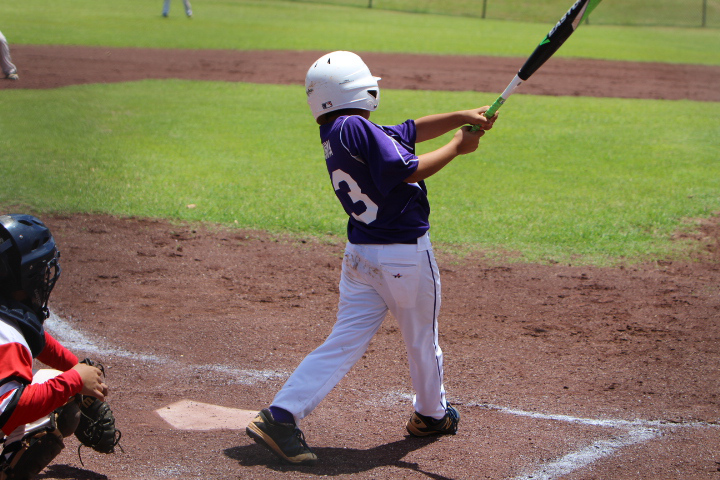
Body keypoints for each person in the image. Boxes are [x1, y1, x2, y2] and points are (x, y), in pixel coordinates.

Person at [246, 51, 497, 465]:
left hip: (362, 256)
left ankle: (281, 415)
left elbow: (409, 130)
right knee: (422, 339)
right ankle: (432, 415)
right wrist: (457, 146)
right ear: (358, 89)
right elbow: (409, 169)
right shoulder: (356, 127)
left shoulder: (340, 130)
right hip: (403, 257)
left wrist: (460, 116)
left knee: (343, 340)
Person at [0, 214, 111, 479]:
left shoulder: (8, 322)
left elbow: (38, 341)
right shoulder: (7, 335)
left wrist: (79, 369)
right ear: (28, 277)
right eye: (42, 271)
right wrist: (74, 381)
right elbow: (9, 409)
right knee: (46, 396)